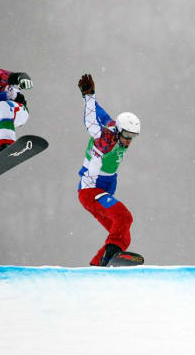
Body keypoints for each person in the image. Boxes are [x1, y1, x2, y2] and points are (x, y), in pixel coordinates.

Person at [76, 74, 141, 266]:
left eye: (133, 136)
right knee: (124, 216)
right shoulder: (106, 139)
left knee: (123, 235)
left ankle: (97, 265)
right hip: (90, 191)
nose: (128, 140)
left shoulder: (115, 127)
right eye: (127, 135)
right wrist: (88, 97)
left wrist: (90, 97)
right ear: (119, 130)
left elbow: (100, 112)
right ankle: (108, 257)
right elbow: (90, 123)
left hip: (100, 192)